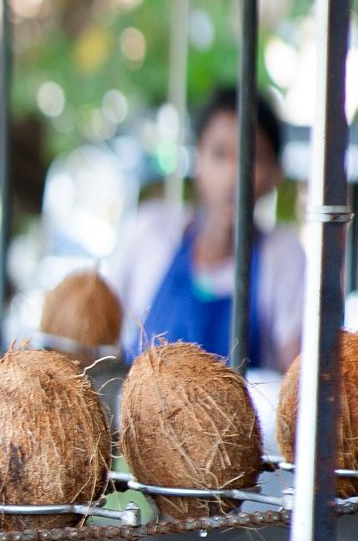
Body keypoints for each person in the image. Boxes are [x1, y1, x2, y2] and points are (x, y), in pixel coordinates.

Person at [104, 87, 304, 370]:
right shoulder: (150, 232)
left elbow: (299, 371)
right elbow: (98, 332)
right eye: (220, 154)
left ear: (275, 174)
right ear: (197, 161)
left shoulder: (283, 256)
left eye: (253, 157)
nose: (234, 175)